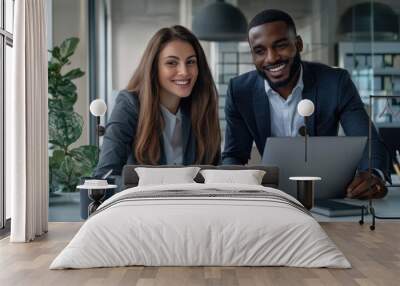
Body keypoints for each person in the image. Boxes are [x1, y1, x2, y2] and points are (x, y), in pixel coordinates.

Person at [222, 9, 390, 200]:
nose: (271, 58)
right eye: (260, 51)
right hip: (274, 197)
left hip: (327, 196)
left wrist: (374, 174)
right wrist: (231, 183)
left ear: (298, 44)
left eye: (281, 45)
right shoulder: (239, 91)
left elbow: (368, 140)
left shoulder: (335, 82)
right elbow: (234, 154)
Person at [94, 25, 221, 186]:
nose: (184, 71)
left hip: (194, 207)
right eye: (172, 63)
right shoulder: (129, 105)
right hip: (143, 207)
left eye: (190, 62)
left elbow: (215, 174)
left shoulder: (203, 107)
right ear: (154, 68)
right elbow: (105, 176)